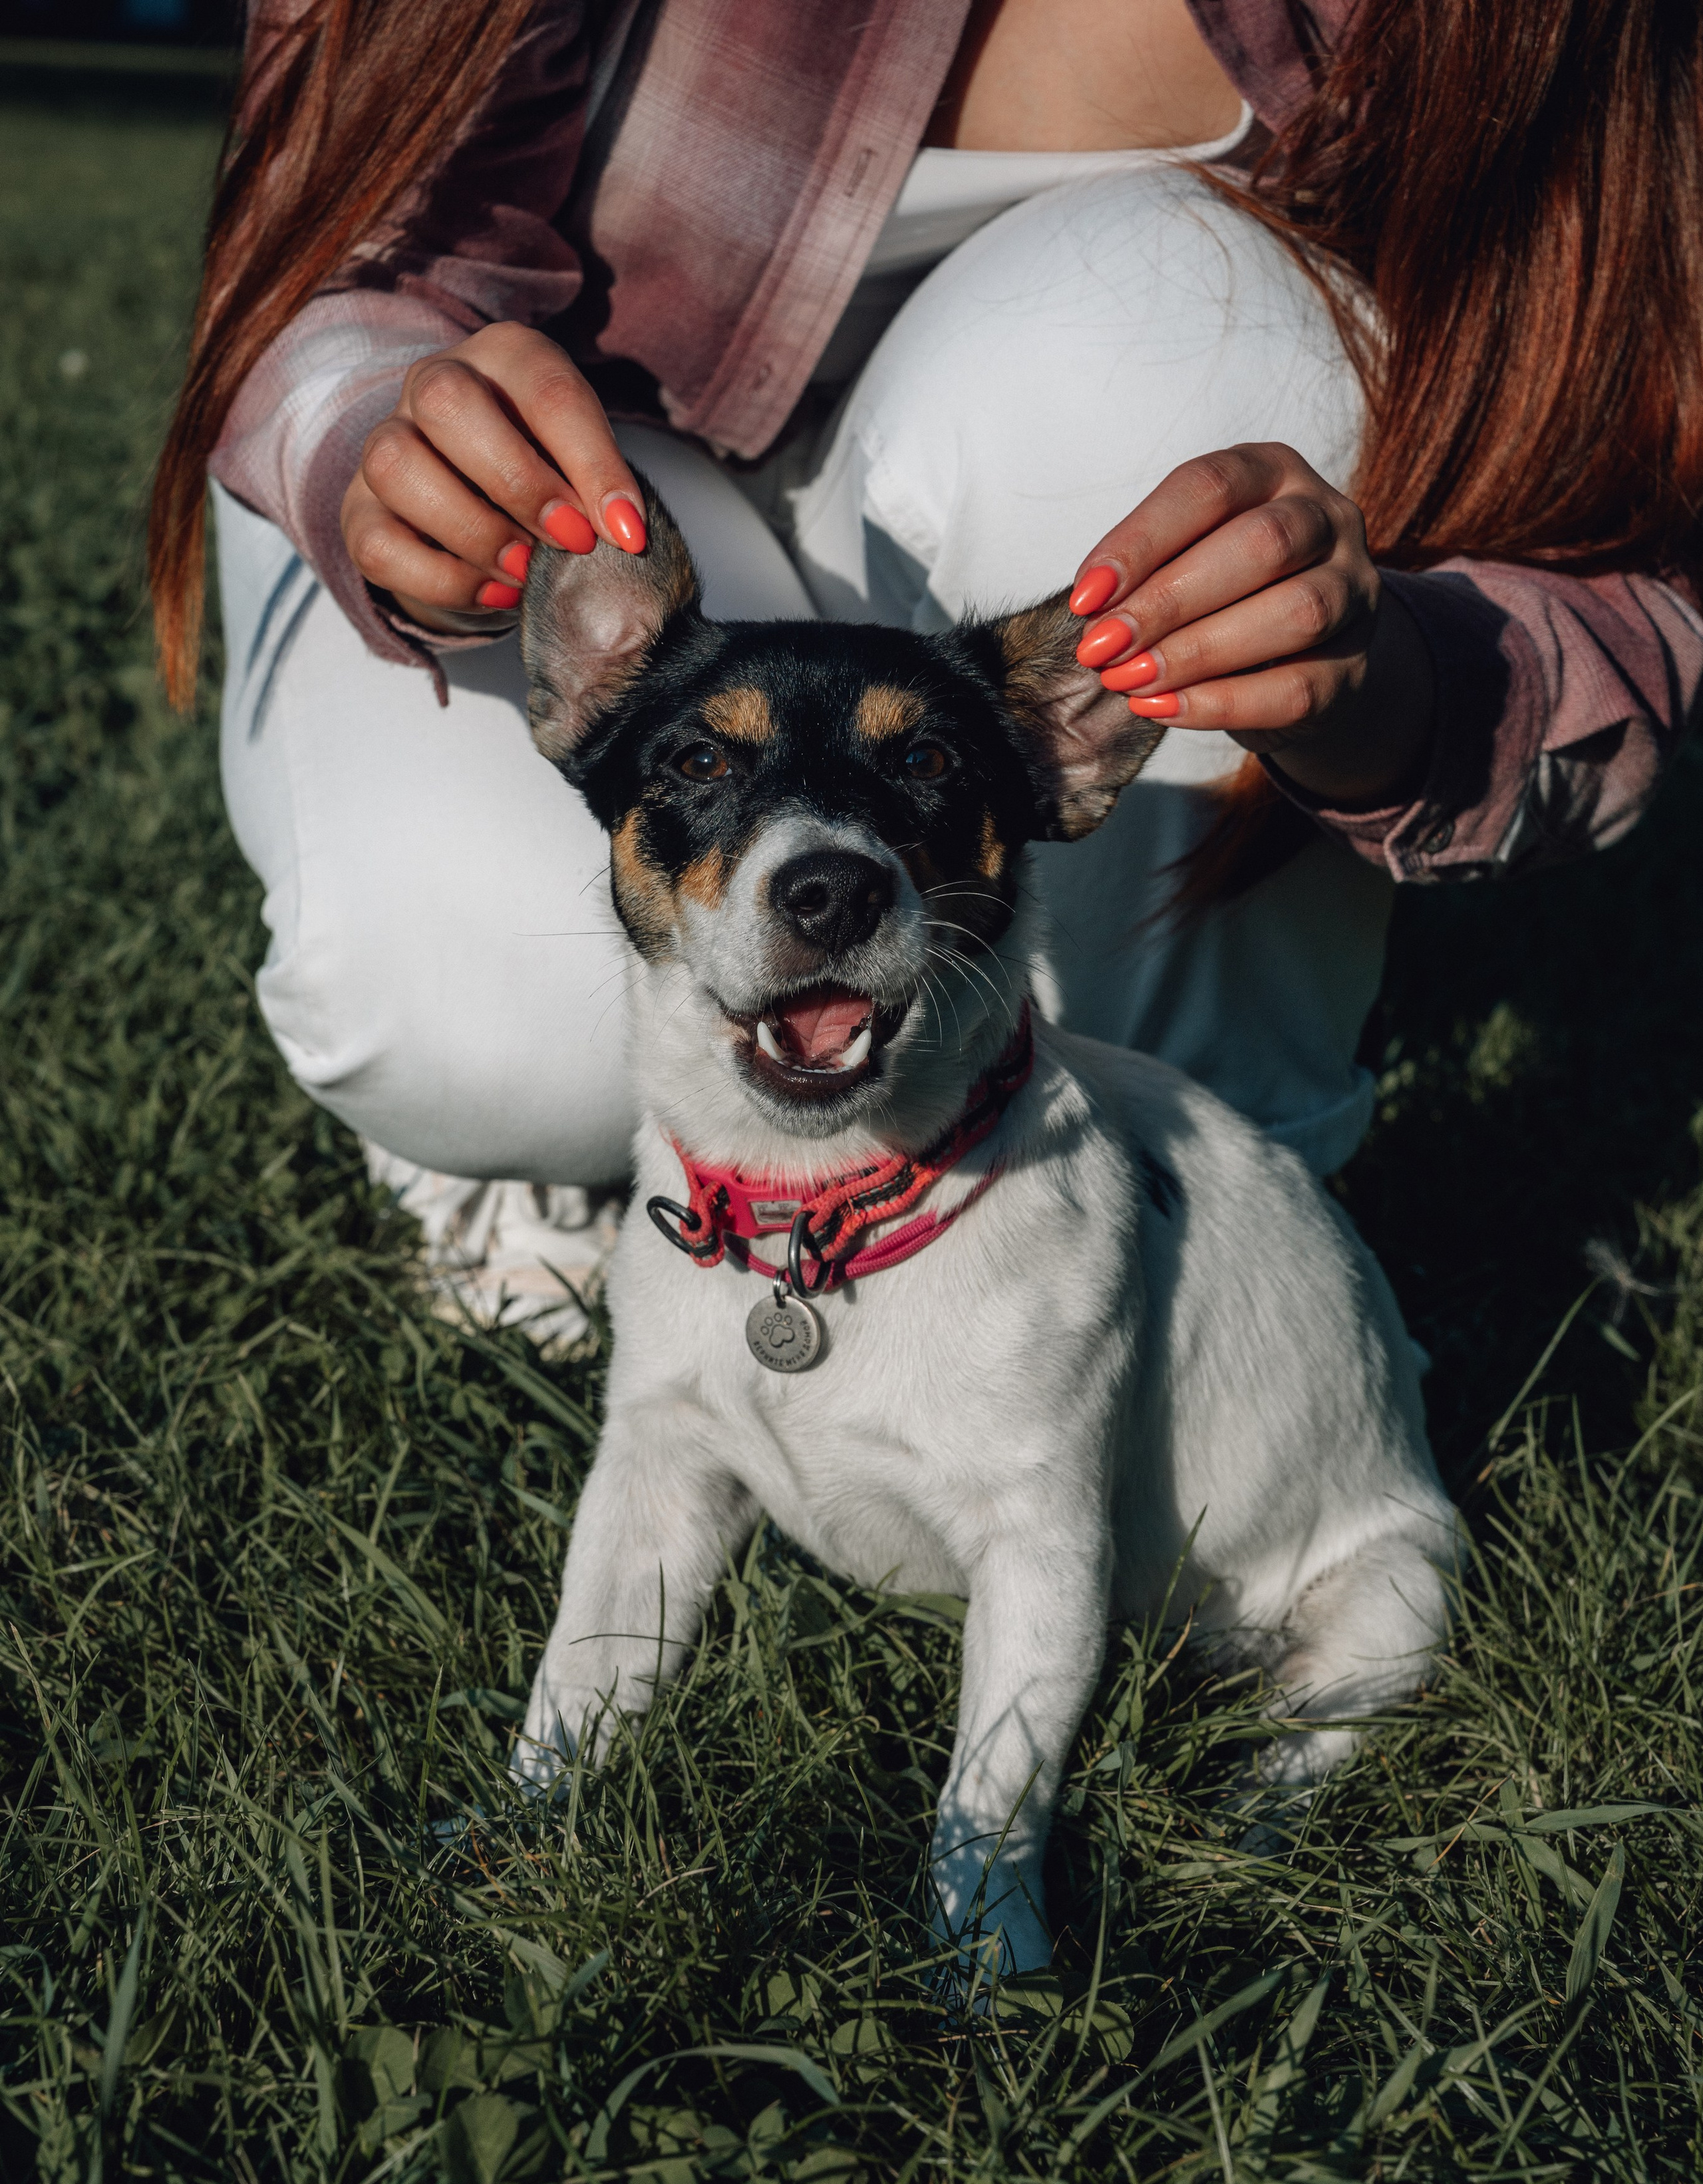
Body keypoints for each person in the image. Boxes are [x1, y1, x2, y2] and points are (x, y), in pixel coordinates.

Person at [150, 0, 1702, 1344]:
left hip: (1050, 566)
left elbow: (1618, 558)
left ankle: (1182, 1190)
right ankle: (540, 1160)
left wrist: (1385, 687)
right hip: (616, 501)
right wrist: (387, 445)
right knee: (481, 1019)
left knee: (1190, 305)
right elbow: (328, 257)